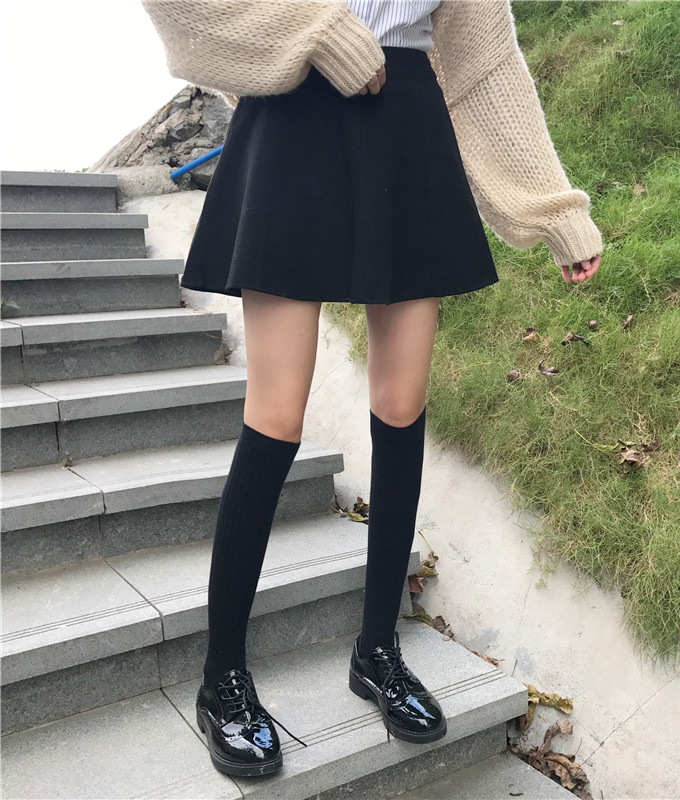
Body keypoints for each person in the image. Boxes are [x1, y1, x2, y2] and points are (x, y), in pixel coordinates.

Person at [141, 0, 603, 779]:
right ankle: (222, 680)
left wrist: (552, 210)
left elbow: (486, 66)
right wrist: (310, 32)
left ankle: (378, 652)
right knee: (276, 417)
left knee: (401, 406)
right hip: (292, 116)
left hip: (409, 123)